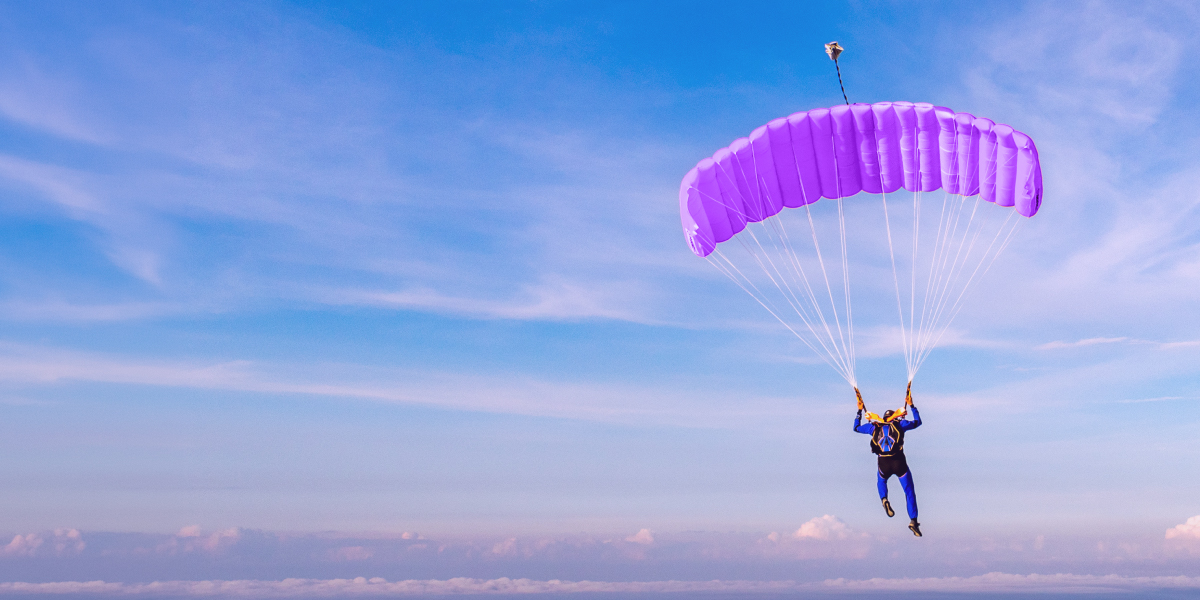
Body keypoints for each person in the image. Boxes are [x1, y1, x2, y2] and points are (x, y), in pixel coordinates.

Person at [854, 383, 922, 537]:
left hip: (883, 464)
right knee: (909, 491)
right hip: (899, 463)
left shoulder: (874, 427)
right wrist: (912, 406)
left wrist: (859, 410)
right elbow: (918, 422)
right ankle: (913, 521)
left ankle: (884, 499)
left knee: (881, 481)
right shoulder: (900, 424)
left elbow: (856, 427)